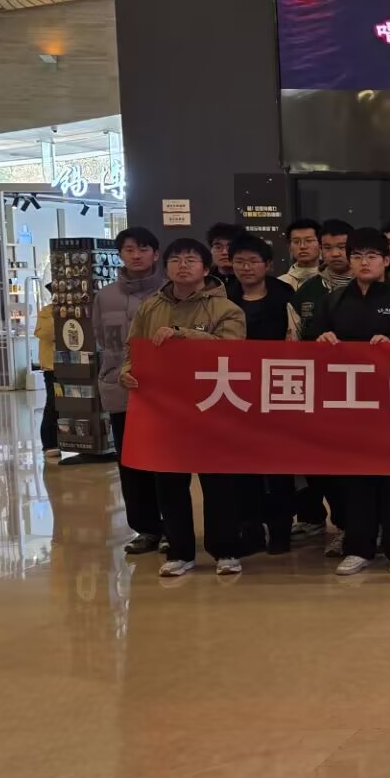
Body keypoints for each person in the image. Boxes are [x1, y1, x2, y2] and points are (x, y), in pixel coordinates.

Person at [303, 230, 390, 575]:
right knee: (355, 478)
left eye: (372, 256)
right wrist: (321, 340)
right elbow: (309, 344)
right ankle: (359, 547)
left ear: (387, 261)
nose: (364, 262)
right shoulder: (333, 302)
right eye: (358, 256)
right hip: (349, 405)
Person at [116, 238, 247, 577]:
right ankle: (179, 551)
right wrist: (127, 371)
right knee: (169, 482)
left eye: (191, 259)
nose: (183, 265)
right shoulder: (150, 308)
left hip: (213, 407)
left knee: (218, 483)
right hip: (165, 410)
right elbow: (133, 349)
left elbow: (233, 350)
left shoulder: (226, 309)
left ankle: (226, 551)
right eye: (175, 260)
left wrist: (183, 335)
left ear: (206, 268)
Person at [226, 233, 300, 555]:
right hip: (234, 393)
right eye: (239, 261)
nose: (246, 267)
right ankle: (250, 529)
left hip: (277, 390)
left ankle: (281, 529)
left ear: (267, 265)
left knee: (279, 464)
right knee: (242, 466)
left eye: (253, 261)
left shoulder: (285, 296)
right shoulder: (222, 297)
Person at [93, 226, 166, 554]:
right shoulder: (105, 296)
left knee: (166, 462)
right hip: (120, 389)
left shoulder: (169, 291)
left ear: (155, 253)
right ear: (120, 254)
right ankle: (146, 529)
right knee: (131, 462)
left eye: (143, 249)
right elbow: (101, 338)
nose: (136, 256)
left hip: (163, 393)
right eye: (129, 250)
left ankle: (172, 527)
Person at [288, 219, 356, 552]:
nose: (335, 254)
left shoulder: (372, 286)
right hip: (319, 392)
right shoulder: (307, 291)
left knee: (358, 465)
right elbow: (294, 340)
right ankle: (341, 525)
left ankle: (363, 526)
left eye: (342, 247)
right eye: (328, 247)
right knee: (323, 464)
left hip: (362, 392)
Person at [34, 294, 58, 454]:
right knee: (54, 403)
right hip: (52, 365)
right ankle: (49, 443)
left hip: (78, 364)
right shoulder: (46, 312)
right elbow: (47, 334)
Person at [283, 217, 324, 287]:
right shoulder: (281, 283)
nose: (302, 246)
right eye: (296, 242)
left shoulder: (334, 280)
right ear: (289, 247)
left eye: (309, 241)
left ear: (321, 245)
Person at [205, 221, 245, 287]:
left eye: (231, 247)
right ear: (211, 250)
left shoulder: (257, 280)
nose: (225, 252)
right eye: (218, 247)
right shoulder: (201, 280)